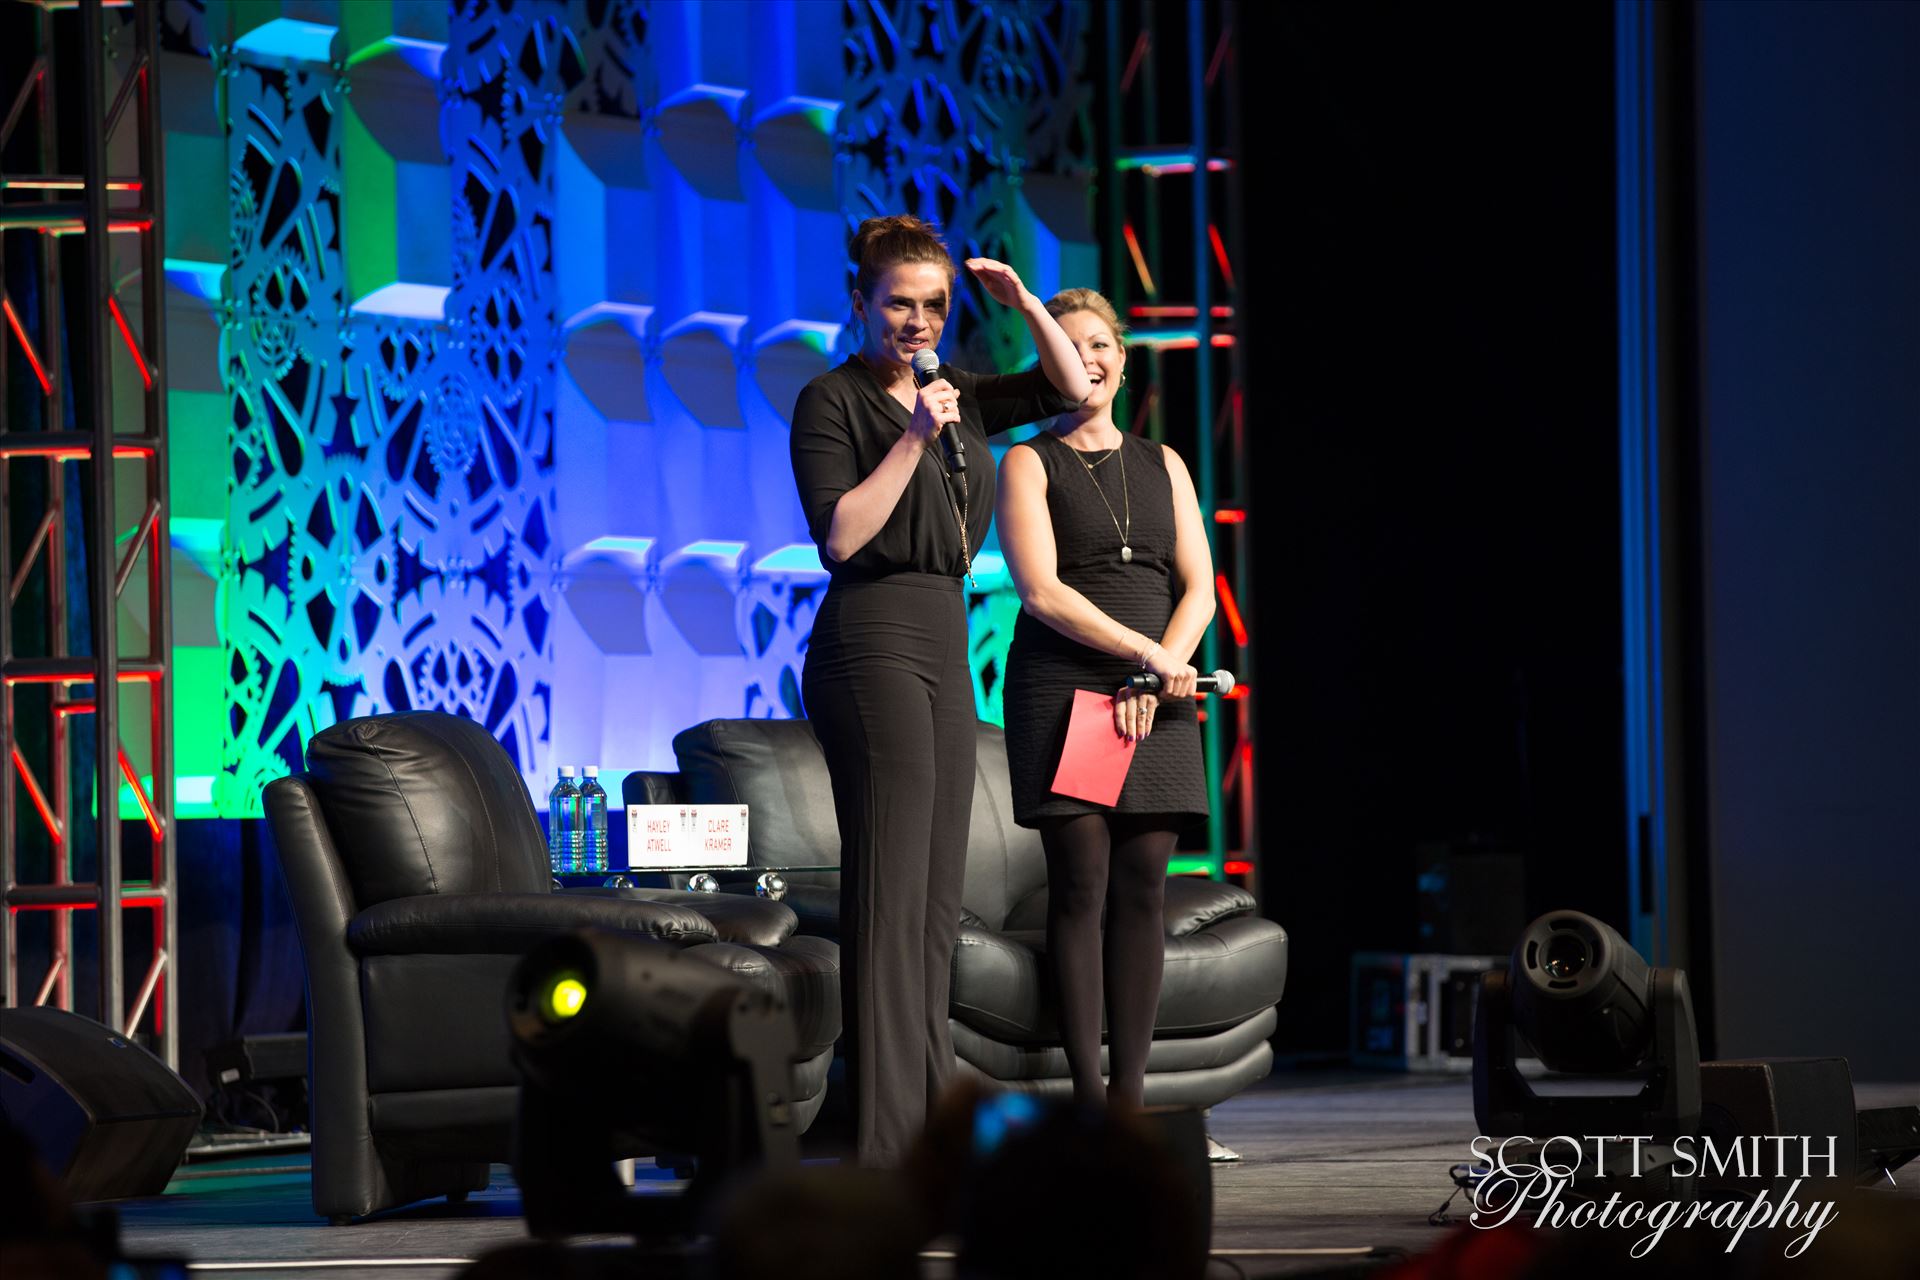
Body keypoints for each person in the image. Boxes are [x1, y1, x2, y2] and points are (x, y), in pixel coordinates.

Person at [789, 214, 1091, 1166]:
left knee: (933, 903)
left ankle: (928, 1135)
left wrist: (1028, 305)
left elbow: (1070, 385)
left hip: (941, 639)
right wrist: (916, 437)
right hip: (866, 639)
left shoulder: (956, 389)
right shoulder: (831, 400)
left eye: (933, 307)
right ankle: (886, 1149)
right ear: (861, 303)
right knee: (887, 895)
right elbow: (840, 537)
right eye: (898, 305)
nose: (916, 323)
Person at [995, 287, 1215, 1110]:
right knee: (1082, 879)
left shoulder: (1165, 463)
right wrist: (1144, 659)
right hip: (1070, 684)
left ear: (1122, 362)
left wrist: (1160, 673)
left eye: (1101, 344)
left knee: (1145, 882)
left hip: (1158, 684)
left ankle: (1129, 1097)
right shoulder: (1027, 460)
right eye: (1067, 343)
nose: (1086, 356)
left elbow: (1197, 584)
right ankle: (1088, 1098)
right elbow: (1042, 591)